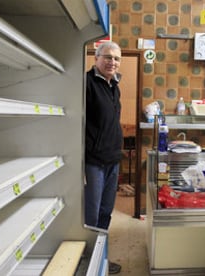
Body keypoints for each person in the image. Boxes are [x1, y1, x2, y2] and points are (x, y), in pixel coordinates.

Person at [84, 41, 123, 274]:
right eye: (107, 57)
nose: (112, 62)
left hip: (112, 160)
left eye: (116, 59)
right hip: (94, 162)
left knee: (106, 212)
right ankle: (90, 263)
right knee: (91, 214)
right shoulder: (87, 83)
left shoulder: (114, 86)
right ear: (96, 58)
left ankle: (102, 259)